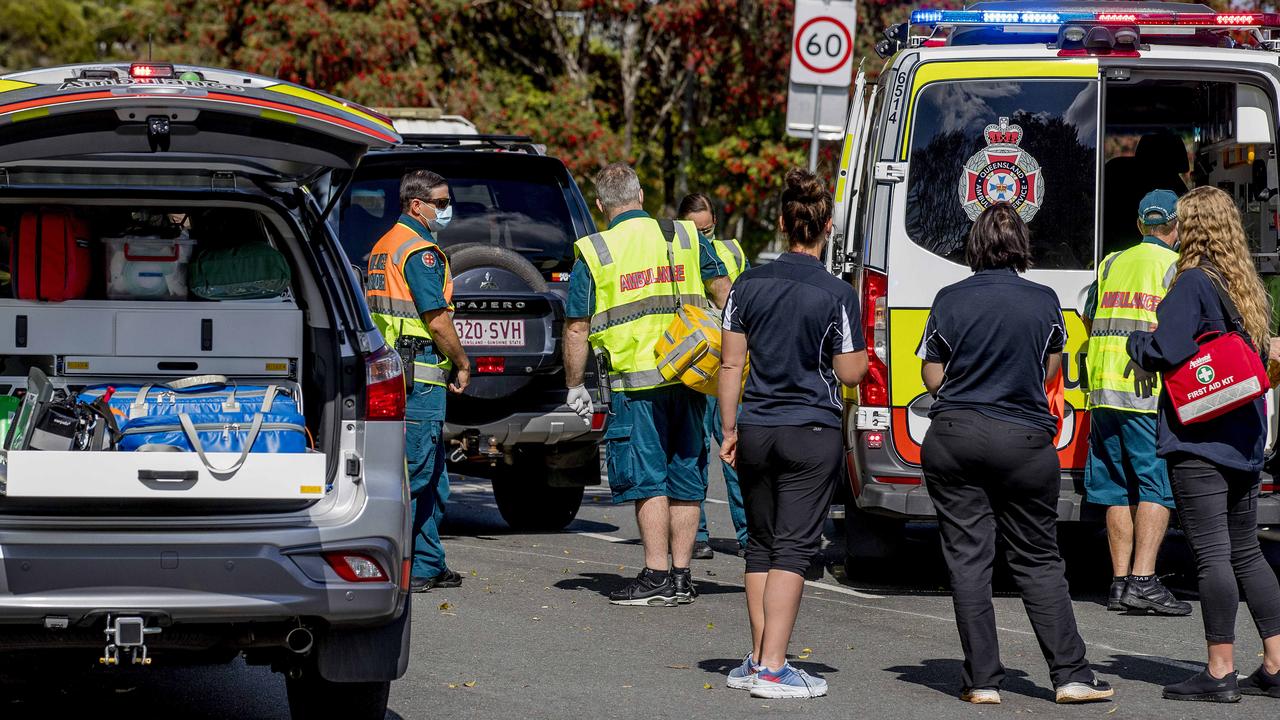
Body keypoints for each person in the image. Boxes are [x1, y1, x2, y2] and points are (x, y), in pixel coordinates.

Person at [918, 203, 1114, 705]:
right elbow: (1051, 370)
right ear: (1021, 246)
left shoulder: (948, 298)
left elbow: (933, 375)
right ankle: (1070, 674)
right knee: (1038, 558)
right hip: (1024, 441)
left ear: (976, 245)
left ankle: (982, 680)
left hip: (955, 436)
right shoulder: (1045, 300)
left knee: (968, 559)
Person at [717, 169, 868, 699]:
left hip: (755, 425)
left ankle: (758, 658)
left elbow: (730, 366)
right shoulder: (837, 293)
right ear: (827, 227)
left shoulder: (747, 285)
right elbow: (850, 372)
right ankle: (775, 669)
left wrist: (729, 428)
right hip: (810, 428)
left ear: (781, 223)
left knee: (759, 544)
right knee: (793, 550)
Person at [1127, 185, 1280, 703]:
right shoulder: (1244, 285)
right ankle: (1276, 664)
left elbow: (1166, 349)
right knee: (1247, 552)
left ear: (1189, 228)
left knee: (1213, 553)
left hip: (1201, 438)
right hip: (1244, 435)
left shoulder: (1191, 281)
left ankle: (1220, 671)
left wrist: (1137, 342)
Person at [563, 163, 730, 607]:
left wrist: (574, 385)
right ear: (639, 196)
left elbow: (577, 327)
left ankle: (656, 575)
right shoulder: (684, 236)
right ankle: (681, 576)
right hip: (692, 373)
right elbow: (722, 289)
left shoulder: (596, 250)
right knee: (686, 474)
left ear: (601, 206)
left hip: (637, 385)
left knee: (648, 478)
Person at [1082, 190, 1191, 616]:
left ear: (1141, 224)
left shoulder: (1111, 263)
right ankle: (1144, 581)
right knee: (1155, 486)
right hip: (1147, 392)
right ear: (1176, 226)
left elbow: (1089, 315)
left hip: (1103, 390)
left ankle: (1120, 582)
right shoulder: (1176, 266)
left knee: (1114, 487)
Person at [366, 169, 471, 592]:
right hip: (418, 378)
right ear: (417, 205)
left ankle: (427, 563)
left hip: (397, 374)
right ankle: (402, 568)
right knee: (414, 477)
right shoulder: (419, 252)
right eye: (441, 203)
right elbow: (436, 319)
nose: (447, 211)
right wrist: (462, 360)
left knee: (432, 476)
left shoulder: (383, 246)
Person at [678, 192, 749, 560]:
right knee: (694, 453)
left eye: (708, 231)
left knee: (734, 450)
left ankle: (747, 534)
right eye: (696, 232)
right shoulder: (675, 256)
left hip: (729, 366)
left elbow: (750, 300)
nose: (703, 239)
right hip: (694, 367)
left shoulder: (733, 253)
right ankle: (698, 533)